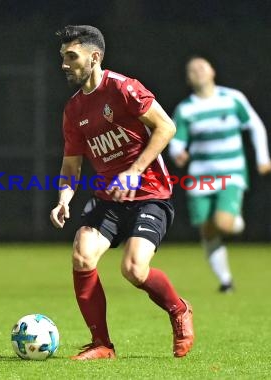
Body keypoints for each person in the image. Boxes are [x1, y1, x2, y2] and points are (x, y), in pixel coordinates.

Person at [50, 25, 194, 360]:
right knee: (82, 254)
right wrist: (63, 200)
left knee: (133, 269)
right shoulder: (73, 110)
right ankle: (102, 344)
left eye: (72, 56)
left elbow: (166, 127)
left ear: (94, 56)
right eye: (63, 57)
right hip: (108, 199)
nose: (65, 64)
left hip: (150, 194)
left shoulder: (124, 88)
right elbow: (71, 165)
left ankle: (179, 309)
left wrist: (133, 172)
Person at [169, 56, 271, 293]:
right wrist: (178, 153)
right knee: (207, 230)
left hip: (231, 172)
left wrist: (263, 158)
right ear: (188, 78)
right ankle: (226, 281)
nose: (197, 69)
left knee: (223, 224)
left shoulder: (232, 98)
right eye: (191, 68)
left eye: (201, 65)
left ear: (212, 71)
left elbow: (255, 126)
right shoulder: (186, 109)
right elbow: (176, 141)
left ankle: (236, 220)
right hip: (199, 176)